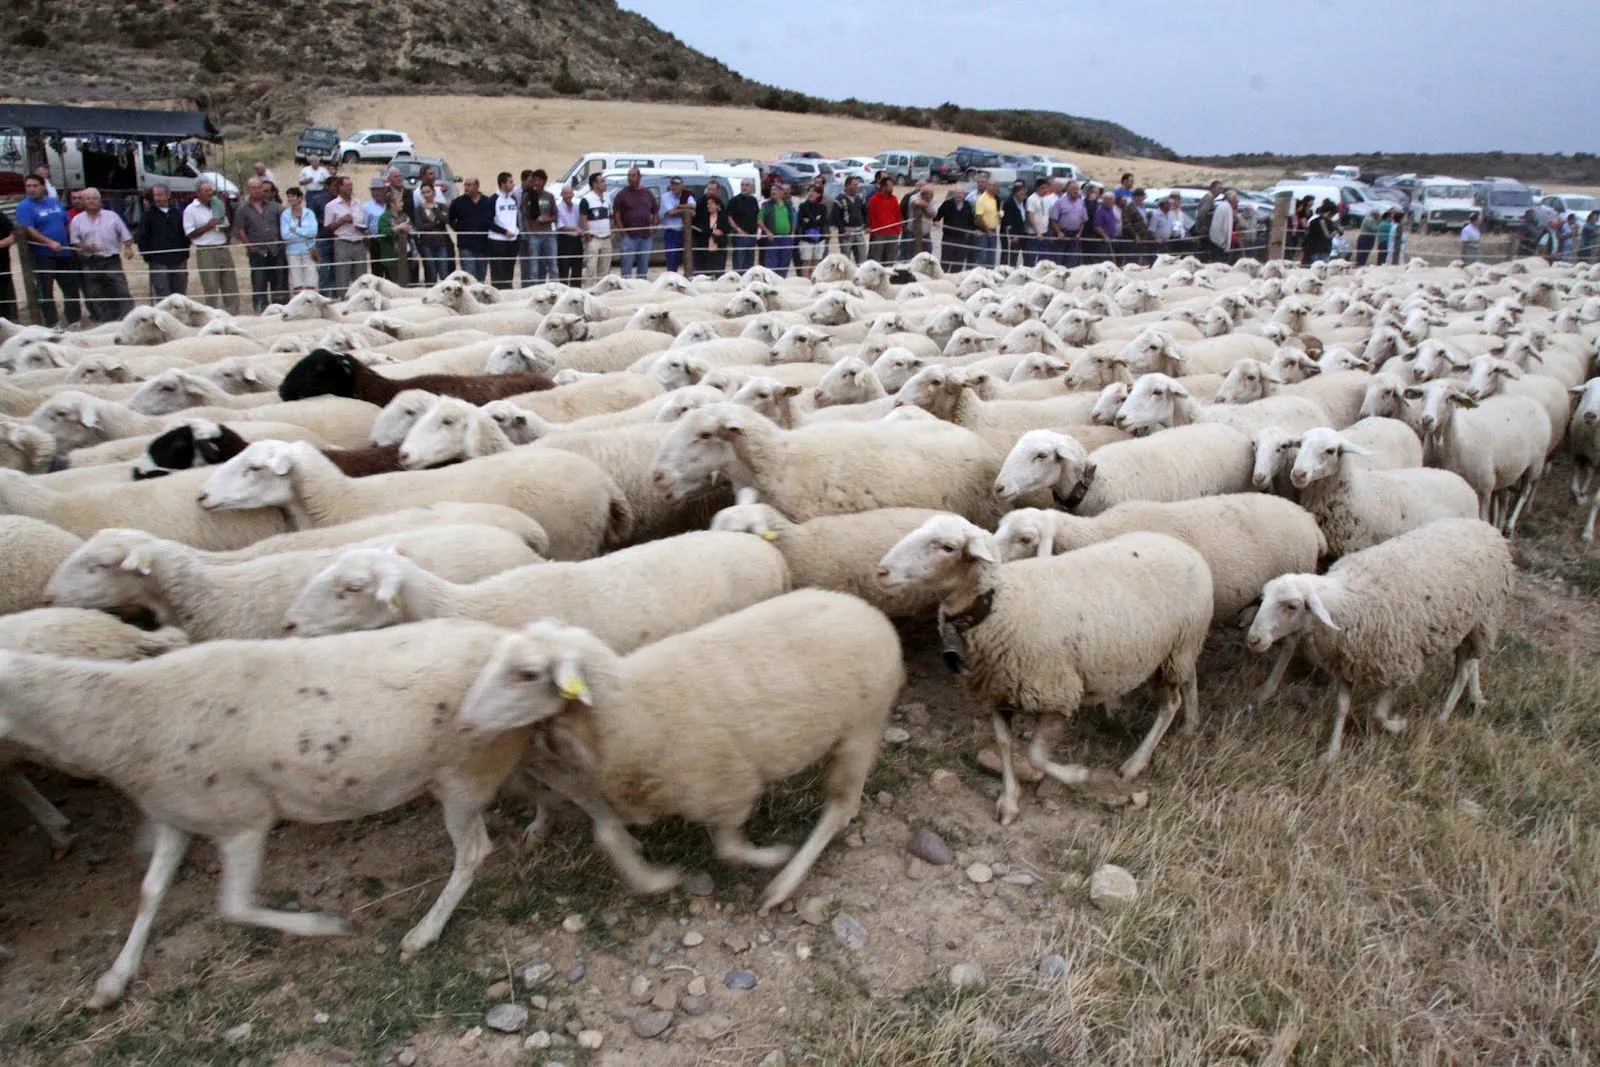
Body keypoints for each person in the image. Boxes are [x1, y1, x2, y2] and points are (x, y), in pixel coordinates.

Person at [16, 174, 84, 327]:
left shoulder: (54, 203)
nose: (31, 189)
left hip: (65, 252)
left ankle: (74, 319)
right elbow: (29, 229)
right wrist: (48, 242)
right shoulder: (24, 207)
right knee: (45, 290)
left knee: (71, 287)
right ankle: (52, 322)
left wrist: (74, 241)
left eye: (35, 186)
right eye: (28, 186)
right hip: (42, 255)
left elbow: (67, 222)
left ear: (43, 187)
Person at [66, 187, 135, 323]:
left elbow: (126, 236)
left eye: (95, 198)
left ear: (100, 200)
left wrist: (128, 248)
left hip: (111, 260)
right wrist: (85, 246)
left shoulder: (112, 216)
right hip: (89, 261)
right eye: (88, 198)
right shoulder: (77, 220)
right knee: (96, 293)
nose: (92, 201)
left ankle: (127, 319)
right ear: (83, 201)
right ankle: (106, 321)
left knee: (120, 289)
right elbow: (75, 242)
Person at [183, 179, 241, 313]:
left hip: (222, 247)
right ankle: (210, 314)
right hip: (206, 250)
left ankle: (233, 313)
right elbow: (189, 233)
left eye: (210, 190)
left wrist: (224, 227)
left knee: (230, 282)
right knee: (211, 285)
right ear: (198, 193)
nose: (210, 193)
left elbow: (226, 224)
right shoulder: (190, 210)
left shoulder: (218, 205)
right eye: (206, 191)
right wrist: (208, 226)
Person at [234, 177, 287, 310]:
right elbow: (239, 230)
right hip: (257, 252)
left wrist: (282, 242)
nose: (258, 191)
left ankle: (280, 309)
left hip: (276, 250)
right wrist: (249, 246)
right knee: (259, 282)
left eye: (260, 188)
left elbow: (285, 224)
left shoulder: (275, 207)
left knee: (279, 282)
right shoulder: (243, 209)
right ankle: (260, 309)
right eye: (254, 188)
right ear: (248, 190)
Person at [136, 183, 190, 298]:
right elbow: (141, 237)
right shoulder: (147, 215)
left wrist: (185, 253)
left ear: (168, 195)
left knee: (180, 295)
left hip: (179, 259)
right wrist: (148, 257)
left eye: (160, 195)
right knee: (163, 294)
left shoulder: (177, 213)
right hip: (158, 261)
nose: (158, 198)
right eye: (156, 195)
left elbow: (184, 234)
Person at [323, 176, 368, 298]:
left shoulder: (358, 203)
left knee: (361, 278)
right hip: (343, 243)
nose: (350, 188)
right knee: (342, 276)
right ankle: (342, 301)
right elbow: (327, 228)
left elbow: (363, 222)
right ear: (340, 187)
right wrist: (342, 221)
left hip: (359, 241)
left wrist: (362, 228)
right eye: (347, 185)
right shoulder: (331, 206)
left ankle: (361, 301)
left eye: (351, 185)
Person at [612, 168, 659, 280]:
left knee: (643, 268)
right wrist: (623, 232)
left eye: (633, 175)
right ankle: (626, 290)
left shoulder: (647, 193)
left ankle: (640, 289)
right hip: (629, 237)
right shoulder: (622, 194)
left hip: (646, 237)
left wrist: (654, 226)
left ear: (639, 177)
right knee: (626, 268)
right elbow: (617, 215)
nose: (630, 178)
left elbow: (655, 211)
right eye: (628, 176)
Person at [448, 177, 495, 282]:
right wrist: (458, 230)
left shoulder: (487, 201)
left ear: (477, 186)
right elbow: (451, 219)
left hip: (483, 244)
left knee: (481, 275)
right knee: (469, 276)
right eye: (465, 185)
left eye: (469, 185)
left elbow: (493, 220)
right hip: (466, 244)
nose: (466, 187)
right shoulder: (458, 202)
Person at [518, 169, 557, 285]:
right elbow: (524, 217)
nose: (537, 183)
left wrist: (548, 219)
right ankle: (535, 291)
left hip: (549, 235)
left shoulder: (549, 196)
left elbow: (555, 215)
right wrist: (529, 232)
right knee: (533, 267)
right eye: (535, 180)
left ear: (545, 181)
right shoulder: (527, 196)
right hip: (534, 236)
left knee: (552, 265)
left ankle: (555, 288)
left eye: (540, 180)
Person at [412, 181, 455, 284]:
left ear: (434, 192)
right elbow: (420, 226)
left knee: (444, 271)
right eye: (424, 192)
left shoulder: (440, 206)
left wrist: (436, 210)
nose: (426, 195)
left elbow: (445, 220)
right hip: (426, 244)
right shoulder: (419, 209)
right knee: (431, 271)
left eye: (428, 192)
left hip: (441, 243)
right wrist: (436, 223)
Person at [280, 186, 320, 294]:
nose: (290, 199)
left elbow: (313, 232)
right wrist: (305, 233)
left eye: (293, 196)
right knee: (296, 281)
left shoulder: (309, 213)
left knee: (311, 280)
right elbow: (285, 235)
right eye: (288, 197)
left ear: (300, 198)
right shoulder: (285, 215)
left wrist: (296, 230)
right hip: (293, 252)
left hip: (309, 250)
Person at [487, 172, 521, 287]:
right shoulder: (493, 200)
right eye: (510, 182)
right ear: (502, 184)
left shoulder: (513, 199)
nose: (513, 184)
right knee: (497, 273)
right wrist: (504, 232)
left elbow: (515, 218)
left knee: (509, 272)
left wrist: (516, 232)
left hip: (512, 241)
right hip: (497, 241)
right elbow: (488, 222)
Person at [579, 173, 613, 283]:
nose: (605, 183)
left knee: (604, 268)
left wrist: (612, 231)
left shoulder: (607, 197)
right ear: (595, 184)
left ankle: (601, 292)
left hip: (606, 238)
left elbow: (610, 215)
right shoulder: (586, 199)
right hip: (593, 238)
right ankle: (590, 290)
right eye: (602, 181)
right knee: (591, 268)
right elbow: (583, 219)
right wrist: (587, 235)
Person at [375, 189, 413, 288]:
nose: (403, 203)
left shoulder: (404, 215)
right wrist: (399, 227)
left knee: (405, 282)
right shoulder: (384, 217)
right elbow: (383, 231)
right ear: (392, 203)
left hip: (405, 254)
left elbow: (413, 227)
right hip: (391, 255)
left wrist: (410, 229)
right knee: (393, 285)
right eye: (400, 201)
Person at [758, 182, 797, 275]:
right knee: (771, 265)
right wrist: (767, 232)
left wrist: (792, 233)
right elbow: (759, 220)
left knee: (784, 264)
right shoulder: (766, 205)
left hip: (787, 239)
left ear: (781, 192)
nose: (772, 192)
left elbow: (793, 219)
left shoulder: (788, 205)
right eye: (772, 190)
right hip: (773, 239)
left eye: (775, 190)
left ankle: (781, 284)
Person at [660, 177, 696, 275]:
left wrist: (680, 206)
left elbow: (694, 206)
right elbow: (671, 212)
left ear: (682, 186)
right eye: (673, 184)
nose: (674, 186)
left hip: (684, 232)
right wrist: (686, 211)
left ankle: (687, 279)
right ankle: (672, 279)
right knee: (672, 258)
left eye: (677, 184)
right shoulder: (665, 196)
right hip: (671, 232)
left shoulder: (687, 195)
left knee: (687, 258)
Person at [693, 181, 729, 277]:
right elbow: (697, 224)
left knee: (718, 272)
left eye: (713, 189)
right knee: (703, 272)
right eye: (709, 189)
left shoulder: (721, 204)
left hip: (719, 245)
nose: (710, 191)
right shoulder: (700, 203)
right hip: (703, 244)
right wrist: (711, 231)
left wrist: (720, 232)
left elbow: (726, 227)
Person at [830, 176, 868, 264]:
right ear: (847, 186)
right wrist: (842, 229)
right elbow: (835, 217)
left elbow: (865, 212)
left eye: (857, 185)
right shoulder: (839, 199)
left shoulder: (859, 198)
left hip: (859, 231)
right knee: (845, 259)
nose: (856, 187)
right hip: (847, 233)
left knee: (862, 257)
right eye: (854, 185)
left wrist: (867, 225)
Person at [1049, 180, 1087, 267]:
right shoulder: (1059, 202)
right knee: (1059, 260)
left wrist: (1079, 233)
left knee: (1072, 260)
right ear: (1067, 190)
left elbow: (1083, 220)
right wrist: (1059, 232)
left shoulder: (1081, 203)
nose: (1076, 191)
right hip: (1063, 234)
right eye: (1073, 189)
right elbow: (1053, 220)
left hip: (1075, 235)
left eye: (1077, 189)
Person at [935, 184, 973, 272]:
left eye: (960, 193)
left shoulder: (968, 206)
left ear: (963, 195)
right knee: (946, 259)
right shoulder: (947, 204)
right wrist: (936, 221)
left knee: (959, 261)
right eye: (957, 193)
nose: (958, 195)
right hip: (949, 237)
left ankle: (955, 278)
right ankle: (943, 278)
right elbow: (937, 216)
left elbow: (971, 222)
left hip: (962, 238)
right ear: (954, 194)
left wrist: (972, 230)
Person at [727, 178, 760, 274]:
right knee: (739, 262)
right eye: (742, 185)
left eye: (747, 185)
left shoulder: (753, 200)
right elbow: (729, 217)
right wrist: (738, 230)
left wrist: (756, 232)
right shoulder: (734, 200)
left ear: (751, 187)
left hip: (751, 236)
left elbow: (757, 217)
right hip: (739, 237)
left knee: (749, 262)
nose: (744, 187)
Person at [866, 176, 902, 264]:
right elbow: (871, 216)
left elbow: (898, 215)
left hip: (893, 234)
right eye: (891, 186)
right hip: (879, 234)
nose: (892, 188)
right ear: (883, 187)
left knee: (891, 260)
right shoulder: (874, 200)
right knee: (876, 260)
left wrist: (898, 230)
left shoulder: (894, 199)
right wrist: (874, 231)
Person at [795, 185, 828, 278]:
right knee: (806, 262)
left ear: (818, 194)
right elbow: (802, 222)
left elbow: (823, 222)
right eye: (809, 191)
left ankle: (814, 280)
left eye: (814, 191)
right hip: (806, 239)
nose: (811, 193)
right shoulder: (802, 206)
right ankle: (805, 282)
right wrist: (815, 220)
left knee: (816, 262)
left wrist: (810, 221)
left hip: (819, 239)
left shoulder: (822, 207)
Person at [554, 183, 584, 285]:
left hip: (576, 241)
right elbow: (560, 226)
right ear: (562, 194)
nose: (568, 195)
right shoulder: (558, 208)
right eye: (566, 193)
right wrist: (575, 228)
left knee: (577, 269)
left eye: (570, 193)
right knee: (563, 270)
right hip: (564, 241)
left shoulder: (577, 207)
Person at [999, 181, 1029, 266]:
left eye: (1025, 194)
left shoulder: (1025, 202)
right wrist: (1012, 235)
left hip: (1023, 233)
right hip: (1012, 234)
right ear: (1015, 194)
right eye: (1021, 194)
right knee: (1011, 257)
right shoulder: (1009, 203)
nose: (1023, 196)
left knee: (1026, 256)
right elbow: (1008, 221)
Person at [973, 178, 1001, 267]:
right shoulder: (981, 199)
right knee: (982, 257)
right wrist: (987, 230)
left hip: (994, 230)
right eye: (990, 185)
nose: (992, 187)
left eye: (994, 185)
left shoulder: (996, 198)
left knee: (992, 257)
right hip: (983, 232)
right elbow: (979, 217)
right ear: (987, 186)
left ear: (997, 187)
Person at [1302, 199, 1339, 265]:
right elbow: (1327, 235)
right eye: (1332, 214)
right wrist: (1336, 232)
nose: (1332, 216)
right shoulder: (1324, 222)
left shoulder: (1314, 221)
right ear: (1329, 212)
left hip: (1319, 249)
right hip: (1318, 250)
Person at [1208, 189, 1237, 264]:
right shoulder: (1227, 208)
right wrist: (1226, 244)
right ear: (1231, 198)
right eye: (1235, 198)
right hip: (1221, 242)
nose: (1236, 200)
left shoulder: (1221, 206)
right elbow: (1227, 227)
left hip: (1215, 239)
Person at [1191, 179, 1225, 244]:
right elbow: (1202, 214)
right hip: (1202, 231)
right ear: (1213, 188)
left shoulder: (1210, 198)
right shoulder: (1209, 198)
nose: (1221, 191)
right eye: (1219, 188)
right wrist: (1204, 227)